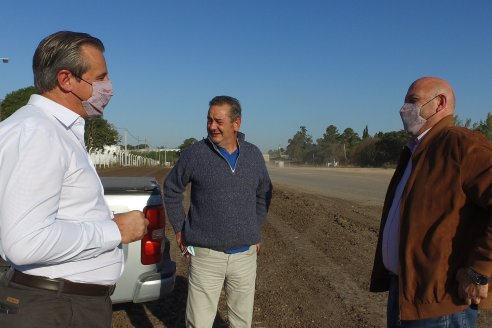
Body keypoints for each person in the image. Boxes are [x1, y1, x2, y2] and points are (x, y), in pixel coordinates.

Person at [0, 31, 148, 328]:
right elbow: (25, 242)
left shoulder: (54, 131)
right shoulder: (38, 132)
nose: (110, 89)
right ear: (66, 79)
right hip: (54, 309)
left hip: (63, 305)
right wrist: (114, 230)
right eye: (101, 78)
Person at [370, 77, 492, 327]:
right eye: (404, 102)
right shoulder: (416, 152)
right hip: (405, 293)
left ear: (440, 103)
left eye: (413, 101)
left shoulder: (463, 146)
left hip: (440, 304)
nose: (404, 109)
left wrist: (480, 270)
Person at [163, 95, 272, 328]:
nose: (212, 126)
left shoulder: (253, 155)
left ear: (236, 124)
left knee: (241, 323)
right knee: (199, 323)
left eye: (219, 121)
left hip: (245, 257)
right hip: (205, 257)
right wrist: (180, 229)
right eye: (209, 120)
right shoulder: (195, 154)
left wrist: (254, 227)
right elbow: (172, 189)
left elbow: (264, 192)